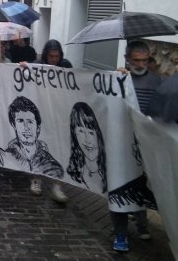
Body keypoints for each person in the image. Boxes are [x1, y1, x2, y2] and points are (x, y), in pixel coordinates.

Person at [110, 40, 161, 252]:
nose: (141, 64)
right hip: (121, 142)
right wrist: (116, 78)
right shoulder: (117, 79)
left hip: (146, 144)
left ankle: (141, 223)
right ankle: (120, 233)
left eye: (145, 60)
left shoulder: (157, 81)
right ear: (127, 59)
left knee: (141, 186)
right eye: (136, 60)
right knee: (119, 185)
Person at [20, 39, 71, 200]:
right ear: (46, 54)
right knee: (38, 147)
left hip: (59, 114)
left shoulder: (66, 66)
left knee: (58, 150)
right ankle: (36, 179)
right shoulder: (37, 65)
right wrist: (23, 68)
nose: (54, 59)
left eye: (57, 56)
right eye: (51, 56)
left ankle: (57, 184)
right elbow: (27, 79)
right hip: (41, 113)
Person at [4, 96, 67, 203]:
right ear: (13, 125)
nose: (26, 127)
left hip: (49, 99)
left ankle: (57, 185)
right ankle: (36, 179)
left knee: (55, 141)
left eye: (30, 122)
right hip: (36, 94)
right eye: (20, 121)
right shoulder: (9, 152)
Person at [66, 102, 107, 194]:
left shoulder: (110, 172)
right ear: (74, 133)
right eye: (81, 131)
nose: (87, 140)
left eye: (91, 132)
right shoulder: (75, 171)